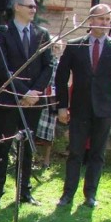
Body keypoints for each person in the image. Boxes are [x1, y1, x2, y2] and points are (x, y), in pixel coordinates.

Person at [55, 3, 111, 208]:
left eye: (108, 20)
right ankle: (67, 195)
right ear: (90, 21)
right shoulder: (75, 45)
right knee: (75, 153)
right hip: (79, 109)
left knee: (98, 154)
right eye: (101, 19)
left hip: (104, 110)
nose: (105, 23)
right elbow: (61, 78)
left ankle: (90, 195)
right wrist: (62, 106)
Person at [0, 0, 54, 209]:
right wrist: (23, 92)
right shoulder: (3, 34)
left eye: (34, 7)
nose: (33, 10)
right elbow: (2, 69)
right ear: (17, 7)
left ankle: (24, 192)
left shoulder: (42, 33)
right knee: (2, 147)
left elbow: (48, 66)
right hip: (9, 101)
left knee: (27, 146)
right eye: (29, 6)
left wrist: (34, 92)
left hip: (32, 102)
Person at [35, 37, 65, 168]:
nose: (54, 50)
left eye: (57, 47)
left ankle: (46, 160)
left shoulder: (61, 66)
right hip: (40, 98)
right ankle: (34, 158)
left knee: (49, 131)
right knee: (35, 129)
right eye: (52, 47)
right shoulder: (43, 63)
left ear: (61, 50)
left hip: (52, 100)